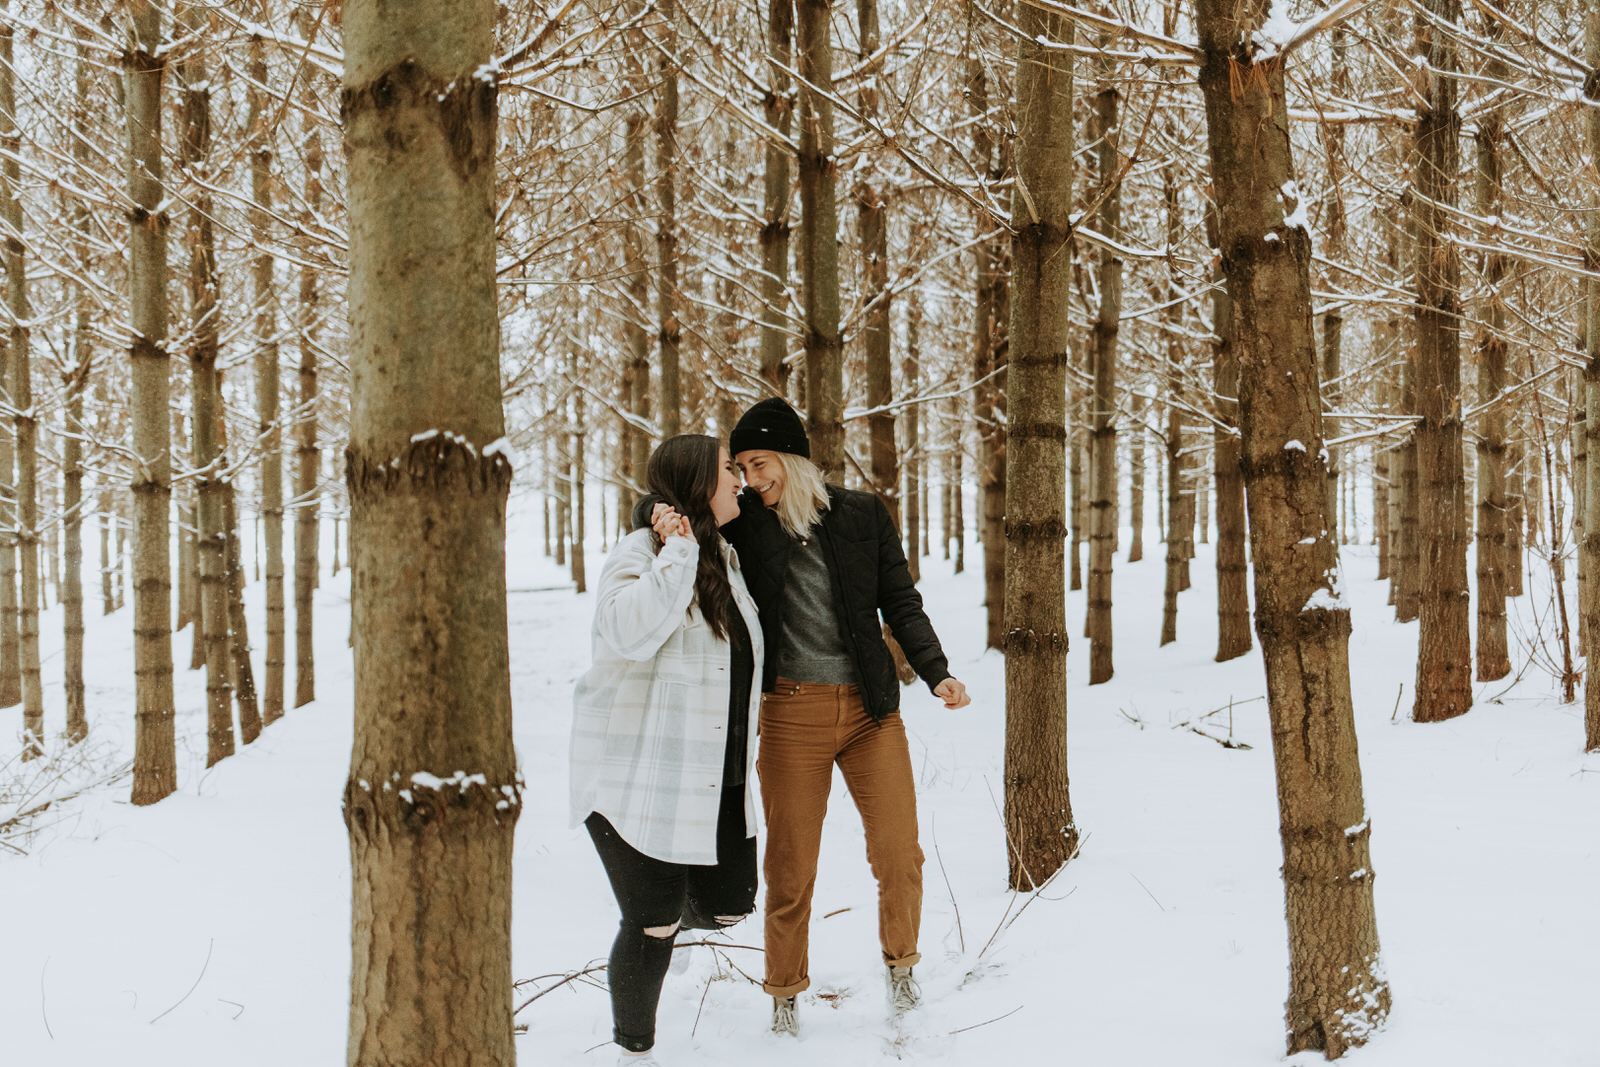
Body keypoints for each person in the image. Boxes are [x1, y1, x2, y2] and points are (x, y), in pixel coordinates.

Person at [649, 397, 971, 1037]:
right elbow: (682, 506)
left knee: (899, 854)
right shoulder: (743, 523)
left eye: (759, 463)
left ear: (791, 458)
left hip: (871, 713)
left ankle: (902, 971)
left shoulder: (860, 514)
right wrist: (648, 514)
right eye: (738, 467)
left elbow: (900, 602)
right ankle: (785, 994)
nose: (749, 478)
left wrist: (938, 673)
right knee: (792, 867)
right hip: (792, 711)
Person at [570, 434, 763, 1066]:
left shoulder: (728, 559)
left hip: (718, 776)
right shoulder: (642, 551)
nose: (739, 480)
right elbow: (627, 633)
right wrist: (674, 545)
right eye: (727, 472)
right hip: (639, 780)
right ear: (695, 482)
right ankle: (634, 1047)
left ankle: (659, 896)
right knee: (653, 923)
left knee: (732, 907)